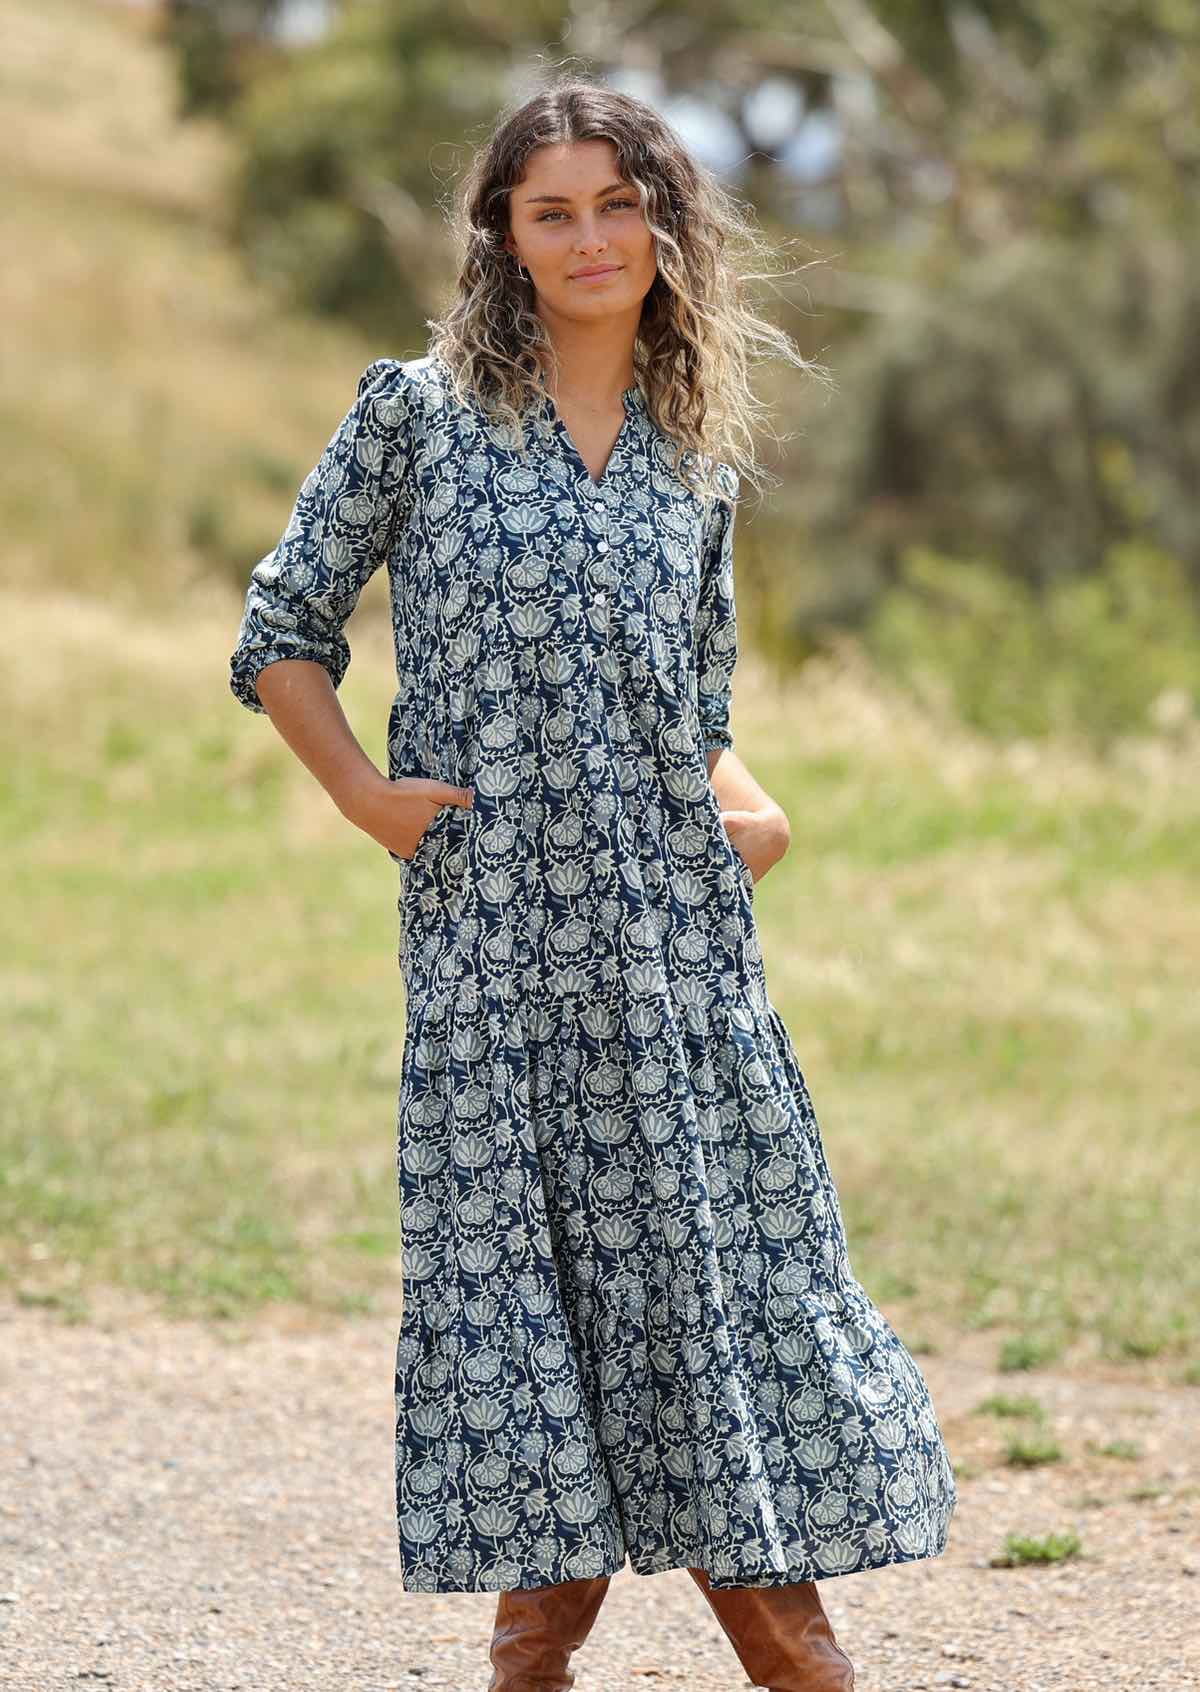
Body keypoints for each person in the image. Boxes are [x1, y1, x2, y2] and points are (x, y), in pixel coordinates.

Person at [229, 72, 956, 1692]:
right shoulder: (414, 416)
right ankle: (628, 1658)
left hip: (676, 950)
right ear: (502, 233)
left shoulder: (695, 463)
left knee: (712, 1282)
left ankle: (720, 1654)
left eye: (617, 204)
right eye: (550, 209)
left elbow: (691, 712)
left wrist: (753, 808)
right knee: (528, 1308)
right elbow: (280, 632)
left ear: (664, 224)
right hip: (494, 946)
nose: (589, 238)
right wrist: (367, 799)